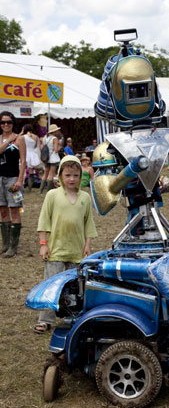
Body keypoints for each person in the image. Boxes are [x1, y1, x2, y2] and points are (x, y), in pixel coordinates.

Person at [33, 155, 97, 333]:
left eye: (76, 175)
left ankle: (74, 317)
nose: (71, 179)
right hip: (55, 250)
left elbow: (88, 224)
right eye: (68, 175)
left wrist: (87, 245)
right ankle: (46, 319)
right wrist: (43, 244)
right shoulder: (52, 196)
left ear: (80, 177)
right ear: (60, 176)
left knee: (76, 286)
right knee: (51, 284)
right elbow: (44, 221)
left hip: (76, 251)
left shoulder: (85, 198)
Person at [0, 111, 27, 258]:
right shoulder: (2, 139)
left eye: (9, 122)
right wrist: (7, 141)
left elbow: (23, 161)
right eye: (3, 122)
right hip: (0, 179)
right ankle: (5, 243)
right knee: (3, 210)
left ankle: (13, 247)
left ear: (13, 123)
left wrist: (19, 180)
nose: (6, 125)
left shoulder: (20, 139)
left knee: (14, 210)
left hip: (13, 179)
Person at [39, 124, 61, 193]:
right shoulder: (55, 139)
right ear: (54, 131)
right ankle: (49, 190)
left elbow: (42, 148)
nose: (58, 131)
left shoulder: (45, 138)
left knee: (45, 174)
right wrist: (60, 148)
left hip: (46, 158)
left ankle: (40, 190)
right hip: (53, 158)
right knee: (51, 174)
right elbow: (56, 150)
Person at [21, 123, 41, 191]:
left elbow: (19, 143)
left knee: (22, 171)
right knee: (31, 171)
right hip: (33, 154)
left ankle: (22, 185)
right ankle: (30, 187)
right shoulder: (36, 137)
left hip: (25, 153)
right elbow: (36, 146)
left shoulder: (23, 136)